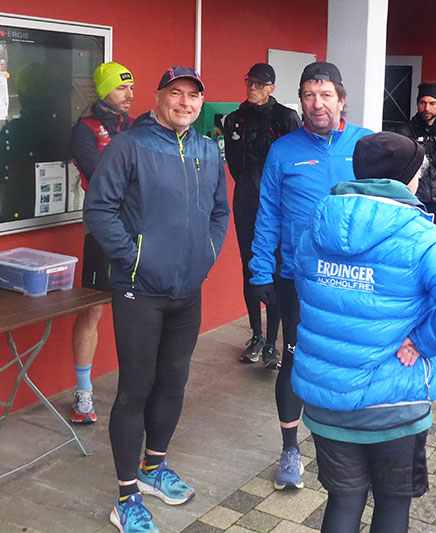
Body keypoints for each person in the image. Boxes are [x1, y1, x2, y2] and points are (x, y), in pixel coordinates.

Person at [291, 131, 436, 532]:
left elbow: (305, 285)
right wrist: (423, 341)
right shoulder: (419, 235)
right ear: (407, 178)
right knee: (393, 503)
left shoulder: (317, 223)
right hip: (393, 401)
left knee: (343, 501)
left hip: (327, 397)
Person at [84, 66, 229, 533]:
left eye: (193, 95)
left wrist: (207, 254)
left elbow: (220, 211)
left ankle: (153, 467)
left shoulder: (207, 150)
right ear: (159, 96)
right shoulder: (129, 145)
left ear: (201, 103)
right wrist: (134, 260)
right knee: (135, 389)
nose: (185, 102)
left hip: (187, 290)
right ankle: (126, 496)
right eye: (176, 93)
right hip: (139, 290)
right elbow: (99, 210)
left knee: (173, 382)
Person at [249, 61, 372, 490]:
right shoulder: (283, 150)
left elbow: (387, 208)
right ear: (300, 100)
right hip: (298, 278)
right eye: (308, 95)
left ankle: (351, 443)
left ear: (342, 100)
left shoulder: (365, 145)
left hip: (354, 277)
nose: (317, 104)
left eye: (325, 95)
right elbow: (268, 214)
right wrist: (260, 270)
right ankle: (289, 450)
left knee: (350, 358)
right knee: (295, 359)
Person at [68, 61, 135, 424]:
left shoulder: (136, 126)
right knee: (94, 309)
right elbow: (100, 177)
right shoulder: (85, 129)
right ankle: (83, 393)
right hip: (101, 229)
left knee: (138, 306)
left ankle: (136, 388)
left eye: (131, 87)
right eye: (122, 87)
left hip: (138, 227)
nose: (129, 94)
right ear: (104, 90)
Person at [223, 62, 301, 365]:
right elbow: (235, 166)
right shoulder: (234, 119)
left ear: (271, 87)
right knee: (251, 266)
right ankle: (256, 335)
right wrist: (251, 185)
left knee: (277, 268)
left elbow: (295, 161)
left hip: (280, 203)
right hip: (247, 200)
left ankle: (272, 342)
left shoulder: (286, 117)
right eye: (249, 82)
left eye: (259, 83)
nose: (252, 87)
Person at [392, 81, 436, 231]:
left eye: (432, 103)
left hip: (434, 198)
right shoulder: (404, 131)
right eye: (422, 103)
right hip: (411, 198)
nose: (427, 108)